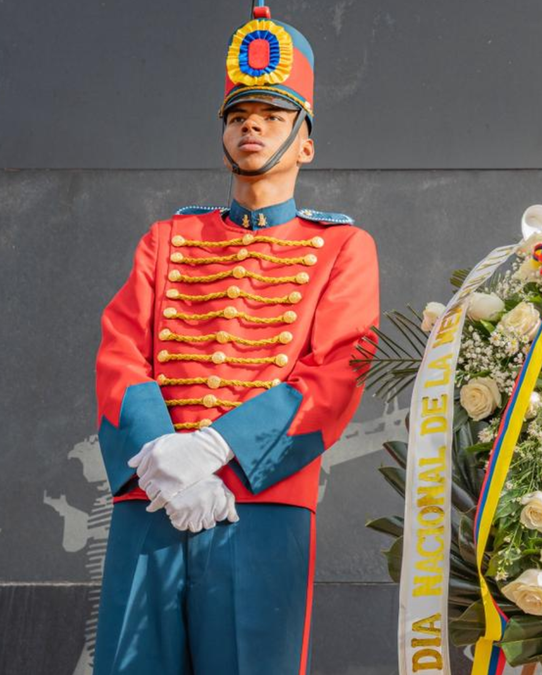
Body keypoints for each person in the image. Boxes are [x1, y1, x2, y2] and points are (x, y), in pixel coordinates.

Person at [93, 3, 379, 672]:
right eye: (238, 114)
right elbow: (120, 350)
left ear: (305, 141)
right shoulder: (167, 239)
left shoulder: (342, 246)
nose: (251, 123)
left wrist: (218, 450)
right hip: (154, 493)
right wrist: (164, 457)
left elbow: (337, 368)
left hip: (260, 505)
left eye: (274, 115)